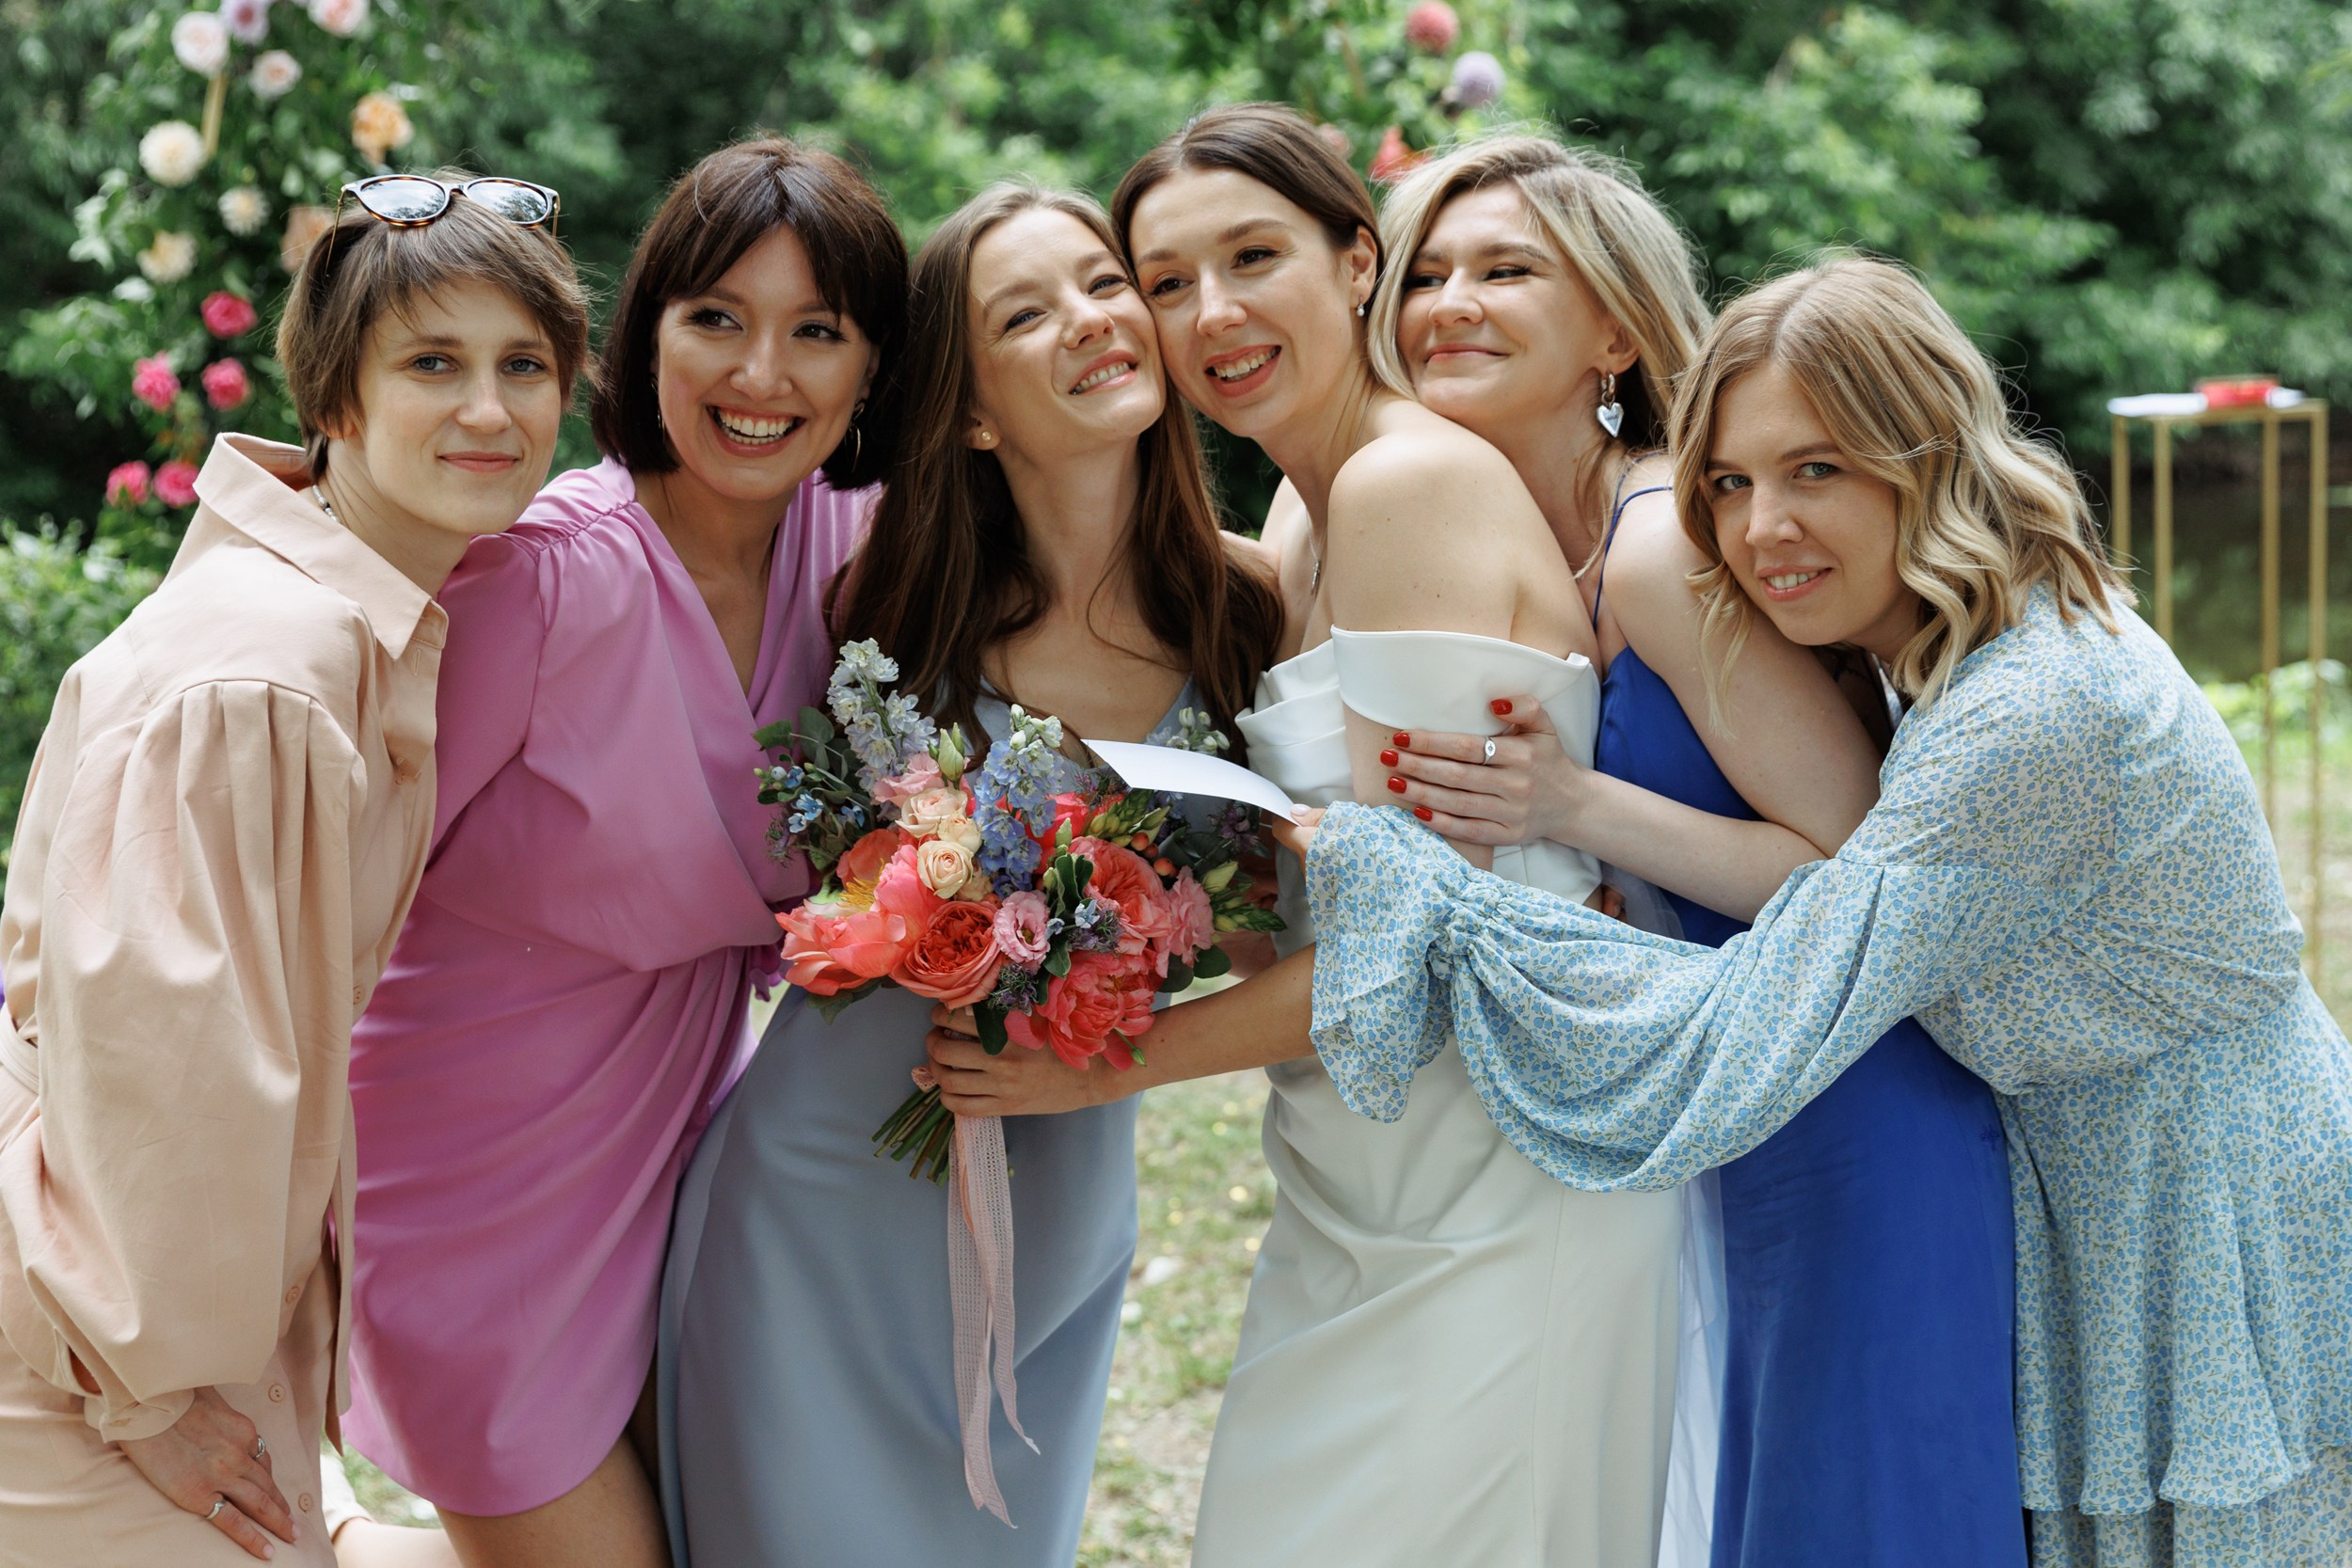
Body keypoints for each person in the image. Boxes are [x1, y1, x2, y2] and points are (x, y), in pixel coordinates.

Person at [1292, 257, 2352, 1568]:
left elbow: (1757, 1015)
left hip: (2208, 1195)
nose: (1760, 531)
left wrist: (1429, 899)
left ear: (1928, 456)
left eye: (1817, 471)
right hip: (2092, 1179)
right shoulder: (1954, 638)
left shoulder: (2034, 714)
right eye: (1729, 485)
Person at [1371, 137, 2023, 1566]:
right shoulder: (1494, 533)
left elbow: (1858, 873)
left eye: (1504, 269)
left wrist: (1576, 811)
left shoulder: (1664, 541)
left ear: (1612, 327)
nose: (1449, 302)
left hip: (1852, 1102)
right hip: (1723, 1092)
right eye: (1425, 273)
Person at [657, 181, 1282, 1568]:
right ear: (977, 410)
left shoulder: (1251, 616)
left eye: (1104, 284)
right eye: (1025, 312)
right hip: (817, 1196)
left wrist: (1107, 1055)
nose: (1090, 321)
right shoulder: (888, 608)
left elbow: (1296, 952)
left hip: (1061, 1196)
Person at [1093, 103, 1683, 1567]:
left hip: (1503, 1158)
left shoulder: (1403, 483)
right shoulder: (1300, 518)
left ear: (1358, 260)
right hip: (1359, 1166)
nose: (1213, 312)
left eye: (1253, 256)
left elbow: (1407, 939)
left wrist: (1084, 1074)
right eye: (1168, 283)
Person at [0, 180, 585, 1567]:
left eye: (525, 367)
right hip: (90, 1351)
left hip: (137, 1318)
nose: (490, 413)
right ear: (335, 397)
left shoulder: (344, 612)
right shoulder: (278, 665)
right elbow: (165, 1057)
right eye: (432, 364)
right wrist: (143, 1392)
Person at [339, 137, 905, 1568]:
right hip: (468, 1176)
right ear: (644, 330)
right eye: (715, 317)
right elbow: (326, 898)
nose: (759, 375)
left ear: (872, 371)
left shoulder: (863, 550)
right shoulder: (533, 575)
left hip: (687, 1163)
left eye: (816, 332)